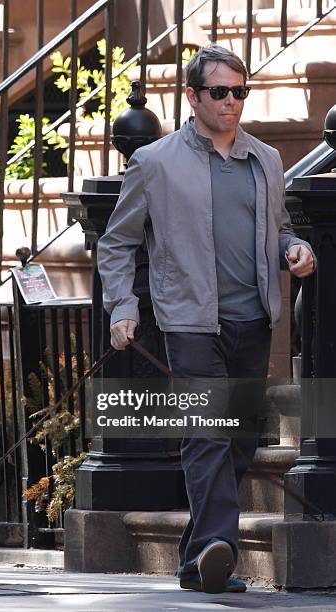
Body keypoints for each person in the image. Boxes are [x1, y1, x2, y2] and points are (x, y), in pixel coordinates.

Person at [97, 44, 315, 594]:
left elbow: (279, 225)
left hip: (254, 319)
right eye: (219, 92)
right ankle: (222, 548)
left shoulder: (266, 159)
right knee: (207, 433)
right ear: (192, 97)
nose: (231, 102)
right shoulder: (154, 162)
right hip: (189, 320)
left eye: (239, 92)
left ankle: (199, 556)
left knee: (240, 439)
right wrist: (123, 306)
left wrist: (294, 247)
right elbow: (117, 244)